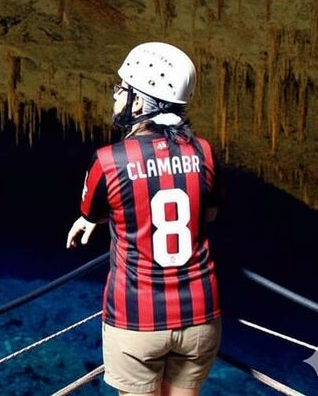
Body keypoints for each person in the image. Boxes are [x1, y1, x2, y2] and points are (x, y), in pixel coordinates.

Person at [66, 42, 222, 396]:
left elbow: (93, 211)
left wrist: (96, 219)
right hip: (201, 314)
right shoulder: (204, 151)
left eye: (122, 88)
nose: (116, 95)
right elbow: (207, 213)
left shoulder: (108, 160)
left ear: (138, 101)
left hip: (138, 318)